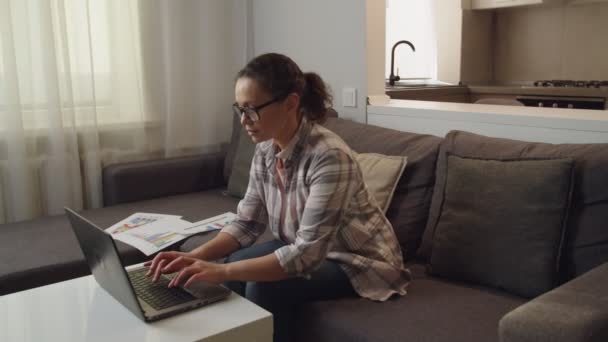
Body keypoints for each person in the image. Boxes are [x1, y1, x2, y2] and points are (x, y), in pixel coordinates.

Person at [145, 53, 411, 342]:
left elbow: (307, 254)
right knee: (236, 262)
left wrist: (220, 272)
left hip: (357, 260)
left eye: (252, 109)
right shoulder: (265, 150)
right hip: (300, 243)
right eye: (240, 109)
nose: (244, 120)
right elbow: (247, 224)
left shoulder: (330, 157)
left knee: (263, 285)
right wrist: (192, 257)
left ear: (291, 103)